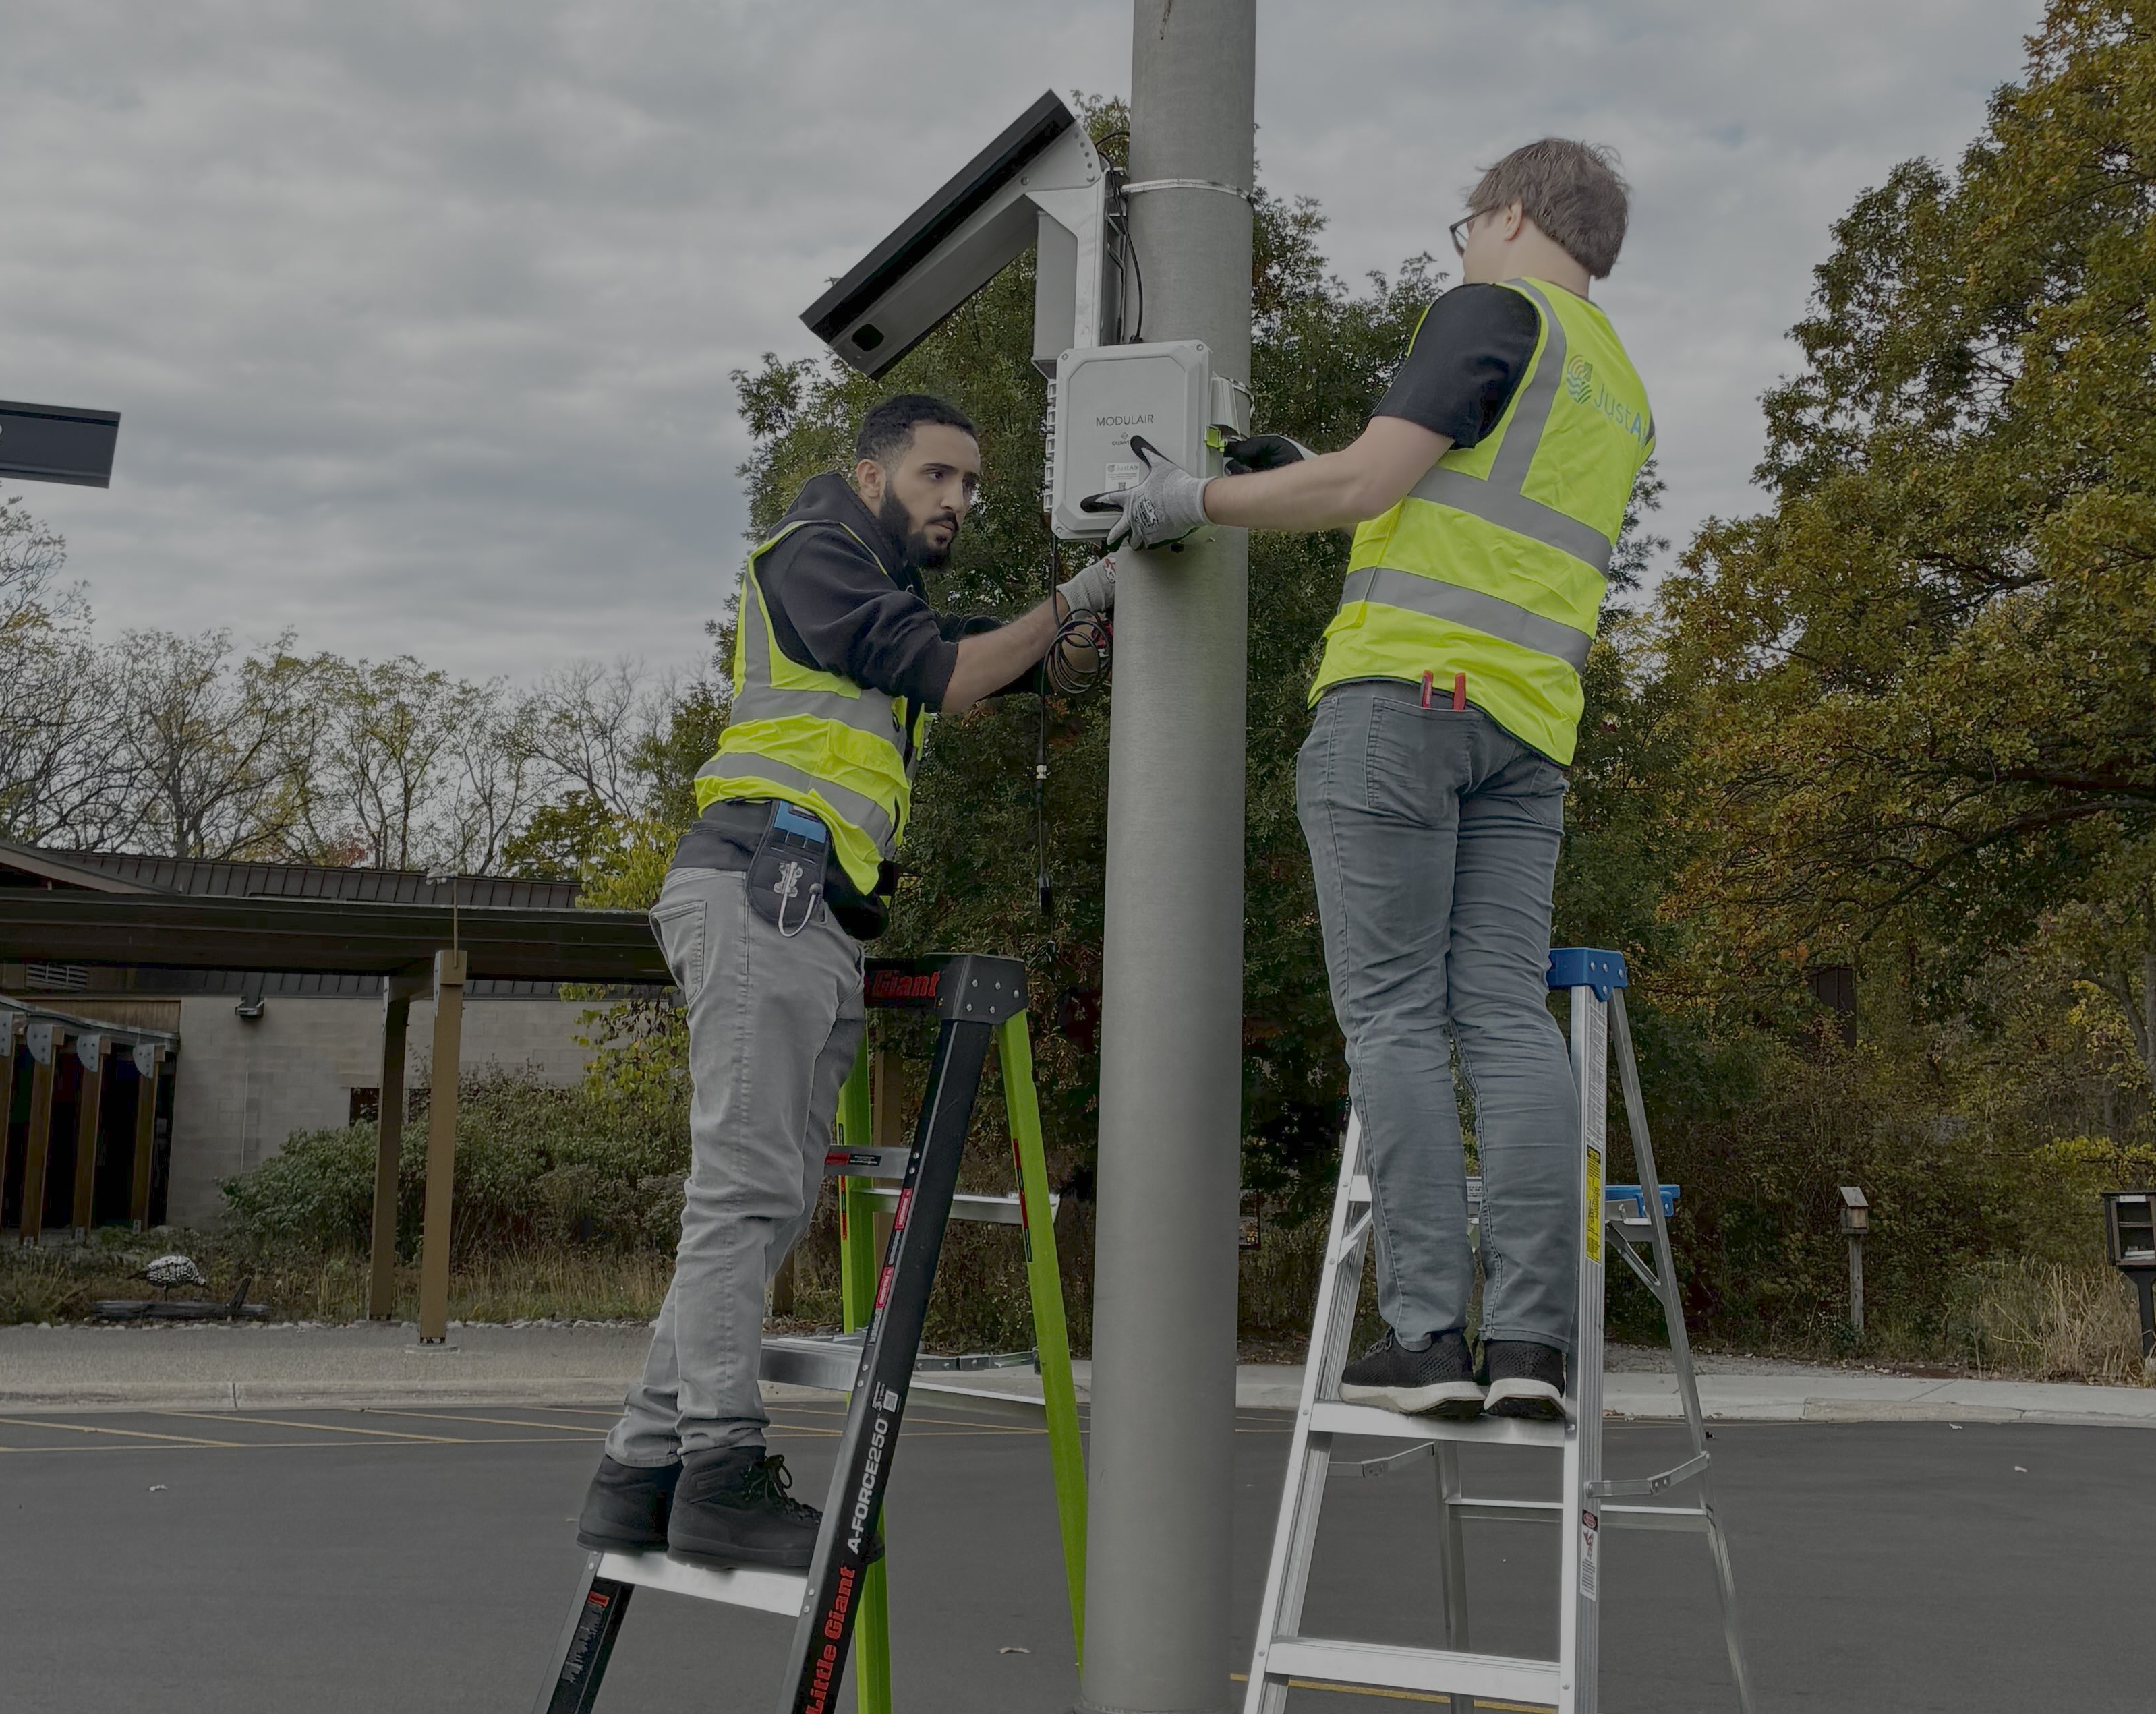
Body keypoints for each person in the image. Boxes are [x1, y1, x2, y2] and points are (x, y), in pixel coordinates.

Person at [1100, 137, 1649, 1423]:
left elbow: (1364, 485)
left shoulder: (1491, 311)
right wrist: (1306, 466)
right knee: (1503, 1017)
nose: (1460, 249)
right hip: (1527, 730)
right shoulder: (1618, 385)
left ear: (1506, 214)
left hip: (1402, 706)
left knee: (1396, 1018)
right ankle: (1531, 1351)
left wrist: (1187, 498)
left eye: (1464, 227)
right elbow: (1457, 503)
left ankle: (1424, 1337)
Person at [581, 394, 1115, 1567]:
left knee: (768, 1199)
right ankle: (719, 1471)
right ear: (870, 476)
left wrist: (1066, 643)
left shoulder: (879, 593)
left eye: (969, 485)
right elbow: (949, 672)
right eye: (937, 476)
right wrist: (1081, 593)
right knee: (742, 1193)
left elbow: (985, 657)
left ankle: (637, 1468)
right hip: (760, 884)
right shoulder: (814, 552)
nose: (957, 501)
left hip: (812, 907)